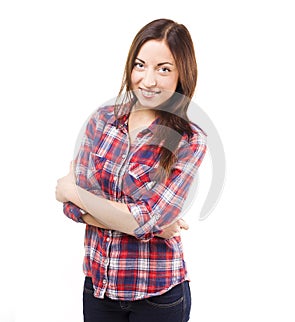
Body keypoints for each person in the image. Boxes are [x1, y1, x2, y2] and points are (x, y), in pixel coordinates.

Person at [56, 18, 207, 322]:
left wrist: (73, 190)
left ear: (182, 75)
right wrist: (147, 226)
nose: (148, 80)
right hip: (99, 290)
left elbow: (144, 219)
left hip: (158, 297)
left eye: (163, 69)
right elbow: (72, 210)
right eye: (140, 65)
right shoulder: (102, 120)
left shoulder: (189, 140)